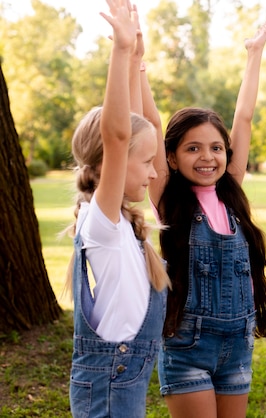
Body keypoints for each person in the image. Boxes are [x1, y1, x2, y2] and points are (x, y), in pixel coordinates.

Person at [150, 18, 266, 418]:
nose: (207, 157)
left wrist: (254, 55)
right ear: (171, 156)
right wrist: (136, 63)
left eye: (216, 148)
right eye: (193, 149)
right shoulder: (166, 200)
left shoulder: (231, 193)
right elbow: (153, 125)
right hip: (188, 346)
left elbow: (245, 118)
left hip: (238, 346)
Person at [66, 1, 170, 416]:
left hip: (123, 376)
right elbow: (118, 134)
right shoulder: (102, 222)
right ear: (111, 163)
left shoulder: (122, 222)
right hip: (111, 380)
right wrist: (121, 50)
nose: (153, 173)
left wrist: (137, 62)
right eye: (146, 163)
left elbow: (136, 125)